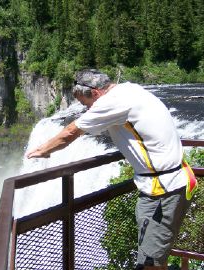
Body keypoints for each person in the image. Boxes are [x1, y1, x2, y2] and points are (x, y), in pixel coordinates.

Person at [26, 70, 198, 270]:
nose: (87, 110)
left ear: (96, 93)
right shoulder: (129, 89)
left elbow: (71, 131)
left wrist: (42, 150)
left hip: (163, 190)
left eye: (86, 104)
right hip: (176, 180)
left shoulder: (111, 102)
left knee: (150, 262)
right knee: (156, 252)